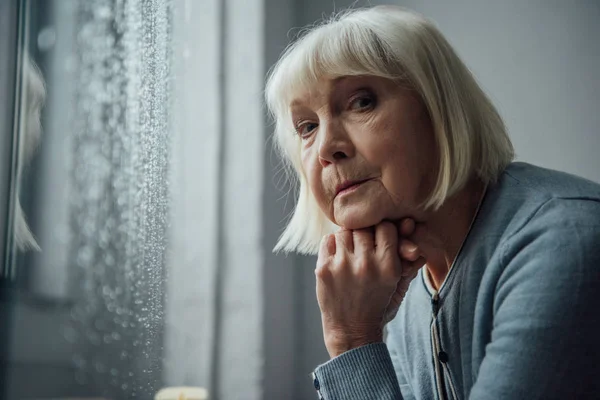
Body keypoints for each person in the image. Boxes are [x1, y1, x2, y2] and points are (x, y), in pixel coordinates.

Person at [265, 6, 600, 399]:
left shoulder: (562, 241)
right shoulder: (405, 290)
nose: (325, 147)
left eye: (361, 102)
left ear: (439, 108)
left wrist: (352, 339)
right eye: (307, 127)